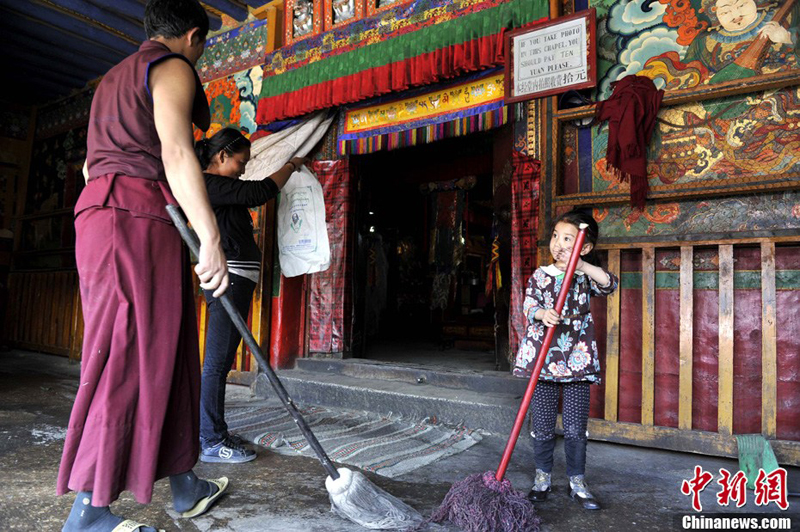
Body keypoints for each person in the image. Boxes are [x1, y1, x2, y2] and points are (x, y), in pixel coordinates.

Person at [58, 1, 231, 530]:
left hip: (115, 213)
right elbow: (178, 153)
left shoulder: (111, 80)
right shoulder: (172, 66)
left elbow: (91, 164)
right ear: (194, 37)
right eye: (202, 47)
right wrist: (212, 237)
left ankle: (184, 484)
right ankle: (89, 513)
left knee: (171, 346)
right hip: (131, 217)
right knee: (125, 351)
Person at [195, 127, 307, 463]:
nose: (243, 168)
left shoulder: (218, 185)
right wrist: (291, 165)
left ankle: (213, 431)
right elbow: (258, 192)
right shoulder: (209, 183)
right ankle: (211, 441)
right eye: (240, 162)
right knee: (215, 365)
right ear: (222, 156)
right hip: (227, 279)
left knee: (221, 362)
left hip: (237, 280)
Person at [513, 208, 619, 511]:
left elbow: (609, 284)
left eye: (568, 239)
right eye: (555, 236)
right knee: (543, 425)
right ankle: (542, 479)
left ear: (584, 247)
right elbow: (528, 305)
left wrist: (582, 265)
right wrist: (542, 313)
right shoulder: (541, 275)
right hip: (544, 362)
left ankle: (577, 482)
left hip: (576, 360)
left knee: (575, 428)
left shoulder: (584, 277)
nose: (558, 244)